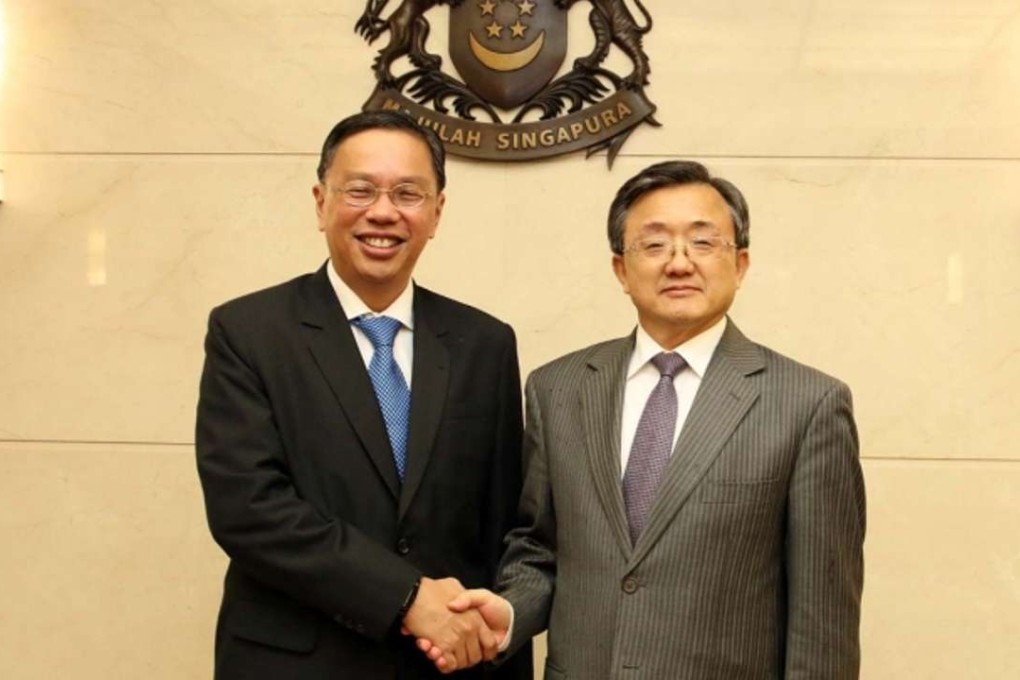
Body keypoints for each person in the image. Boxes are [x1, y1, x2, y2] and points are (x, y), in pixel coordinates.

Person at [422, 160, 866, 678]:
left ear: (740, 265)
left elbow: (823, 621)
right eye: (654, 245)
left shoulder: (807, 405)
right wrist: (512, 610)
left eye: (703, 243)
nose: (678, 263)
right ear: (620, 269)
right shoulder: (558, 389)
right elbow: (539, 546)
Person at [195, 110, 532, 679]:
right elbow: (247, 509)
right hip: (294, 664)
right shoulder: (249, 331)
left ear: (436, 212)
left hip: (444, 668)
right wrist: (404, 597)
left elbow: (502, 527)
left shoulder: (484, 343)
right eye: (360, 190)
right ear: (320, 201)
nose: (383, 211)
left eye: (408, 193)